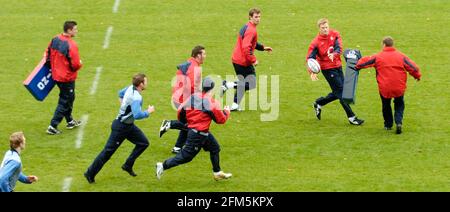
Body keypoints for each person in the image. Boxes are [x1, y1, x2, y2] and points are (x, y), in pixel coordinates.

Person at [156, 77, 232, 181]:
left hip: (201, 132)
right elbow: (221, 120)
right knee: (186, 156)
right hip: (198, 135)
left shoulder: (193, 96)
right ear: (212, 89)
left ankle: (217, 172)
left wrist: (184, 121)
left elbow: (180, 111)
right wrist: (226, 112)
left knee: (215, 148)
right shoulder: (212, 103)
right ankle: (163, 166)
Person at [84, 73, 155, 183]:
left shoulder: (129, 88)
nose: (147, 83)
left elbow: (120, 94)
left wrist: (124, 106)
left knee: (143, 143)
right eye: (145, 81)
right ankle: (90, 173)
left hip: (129, 126)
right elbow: (137, 115)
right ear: (141, 84)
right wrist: (148, 112)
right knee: (107, 152)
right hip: (121, 128)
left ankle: (127, 165)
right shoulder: (136, 97)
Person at [356, 36, 421, 134]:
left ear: (383, 44)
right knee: (399, 104)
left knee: (386, 105)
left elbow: (364, 62)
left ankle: (388, 124)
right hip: (399, 86)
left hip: (385, 87)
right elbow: (414, 68)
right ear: (392, 44)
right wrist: (417, 76)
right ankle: (398, 122)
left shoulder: (378, 57)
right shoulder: (401, 56)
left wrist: (357, 66)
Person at [306, 18, 364, 125]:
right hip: (327, 70)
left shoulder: (335, 34)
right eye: (323, 28)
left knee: (338, 91)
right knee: (341, 93)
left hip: (338, 66)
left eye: (326, 27)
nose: (325, 30)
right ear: (319, 29)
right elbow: (310, 59)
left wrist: (335, 54)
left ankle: (319, 103)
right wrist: (312, 72)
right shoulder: (315, 43)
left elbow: (339, 47)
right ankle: (352, 117)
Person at [220, 8, 272, 111]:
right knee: (251, 84)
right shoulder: (251, 30)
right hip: (243, 61)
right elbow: (246, 47)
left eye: (259, 17)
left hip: (237, 59)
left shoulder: (247, 27)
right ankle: (227, 84)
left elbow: (251, 43)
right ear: (250, 17)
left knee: (243, 83)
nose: (258, 19)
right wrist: (253, 59)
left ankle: (235, 105)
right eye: (256, 17)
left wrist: (262, 48)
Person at [159, 46, 206, 154]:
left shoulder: (189, 63)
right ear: (198, 55)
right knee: (192, 124)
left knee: (187, 121)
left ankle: (177, 147)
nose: (205, 56)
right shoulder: (194, 68)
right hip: (184, 99)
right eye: (204, 54)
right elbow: (193, 86)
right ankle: (169, 124)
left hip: (179, 97)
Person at [46, 21, 83, 135]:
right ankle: (53, 125)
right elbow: (75, 64)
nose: (76, 31)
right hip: (66, 77)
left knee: (69, 98)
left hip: (56, 75)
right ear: (69, 30)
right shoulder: (71, 45)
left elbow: (47, 53)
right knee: (65, 100)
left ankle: (70, 121)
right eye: (75, 29)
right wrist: (80, 63)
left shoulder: (55, 39)